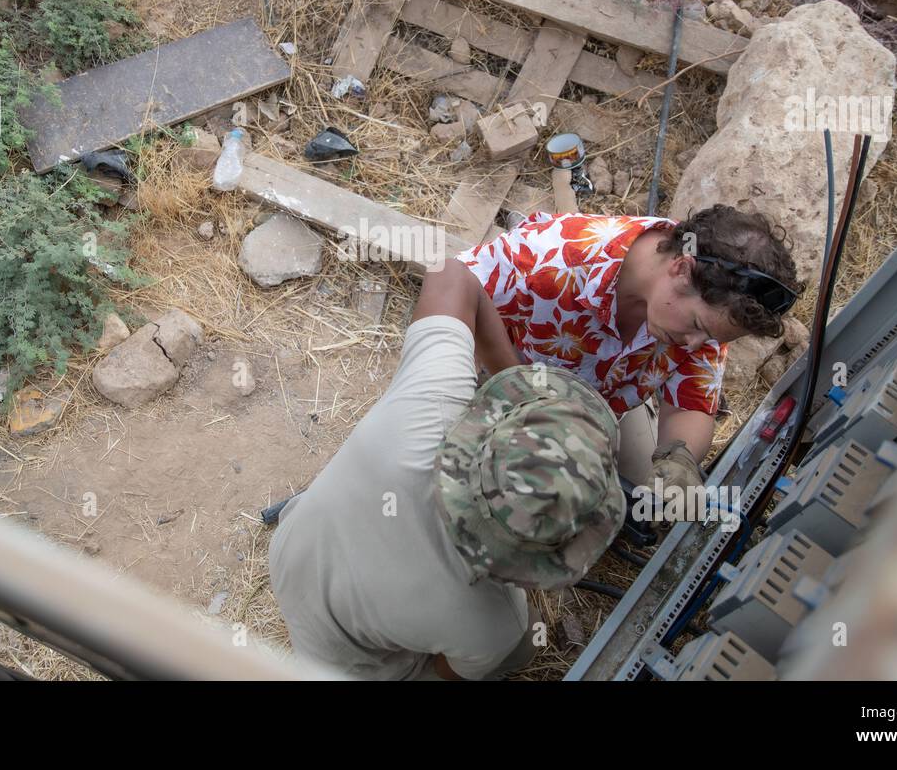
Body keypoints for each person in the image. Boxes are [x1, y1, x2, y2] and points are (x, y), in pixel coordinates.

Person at [268, 259, 625, 680]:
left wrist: (515, 379)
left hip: (294, 545)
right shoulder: (494, 623)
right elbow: (446, 674)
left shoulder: (435, 396)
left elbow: (451, 273)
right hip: (340, 657)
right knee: (523, 648)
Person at [458, 203, 801, 489]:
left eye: (710, 337)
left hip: (600, 406)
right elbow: (455, 288)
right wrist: (522, 393)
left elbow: (691, 404)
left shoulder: (707, 312)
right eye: (698, 327)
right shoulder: (548, 261)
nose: (697, 344)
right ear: (682, 268)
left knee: (625, 493)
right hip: (513, 382)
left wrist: (678, 460)